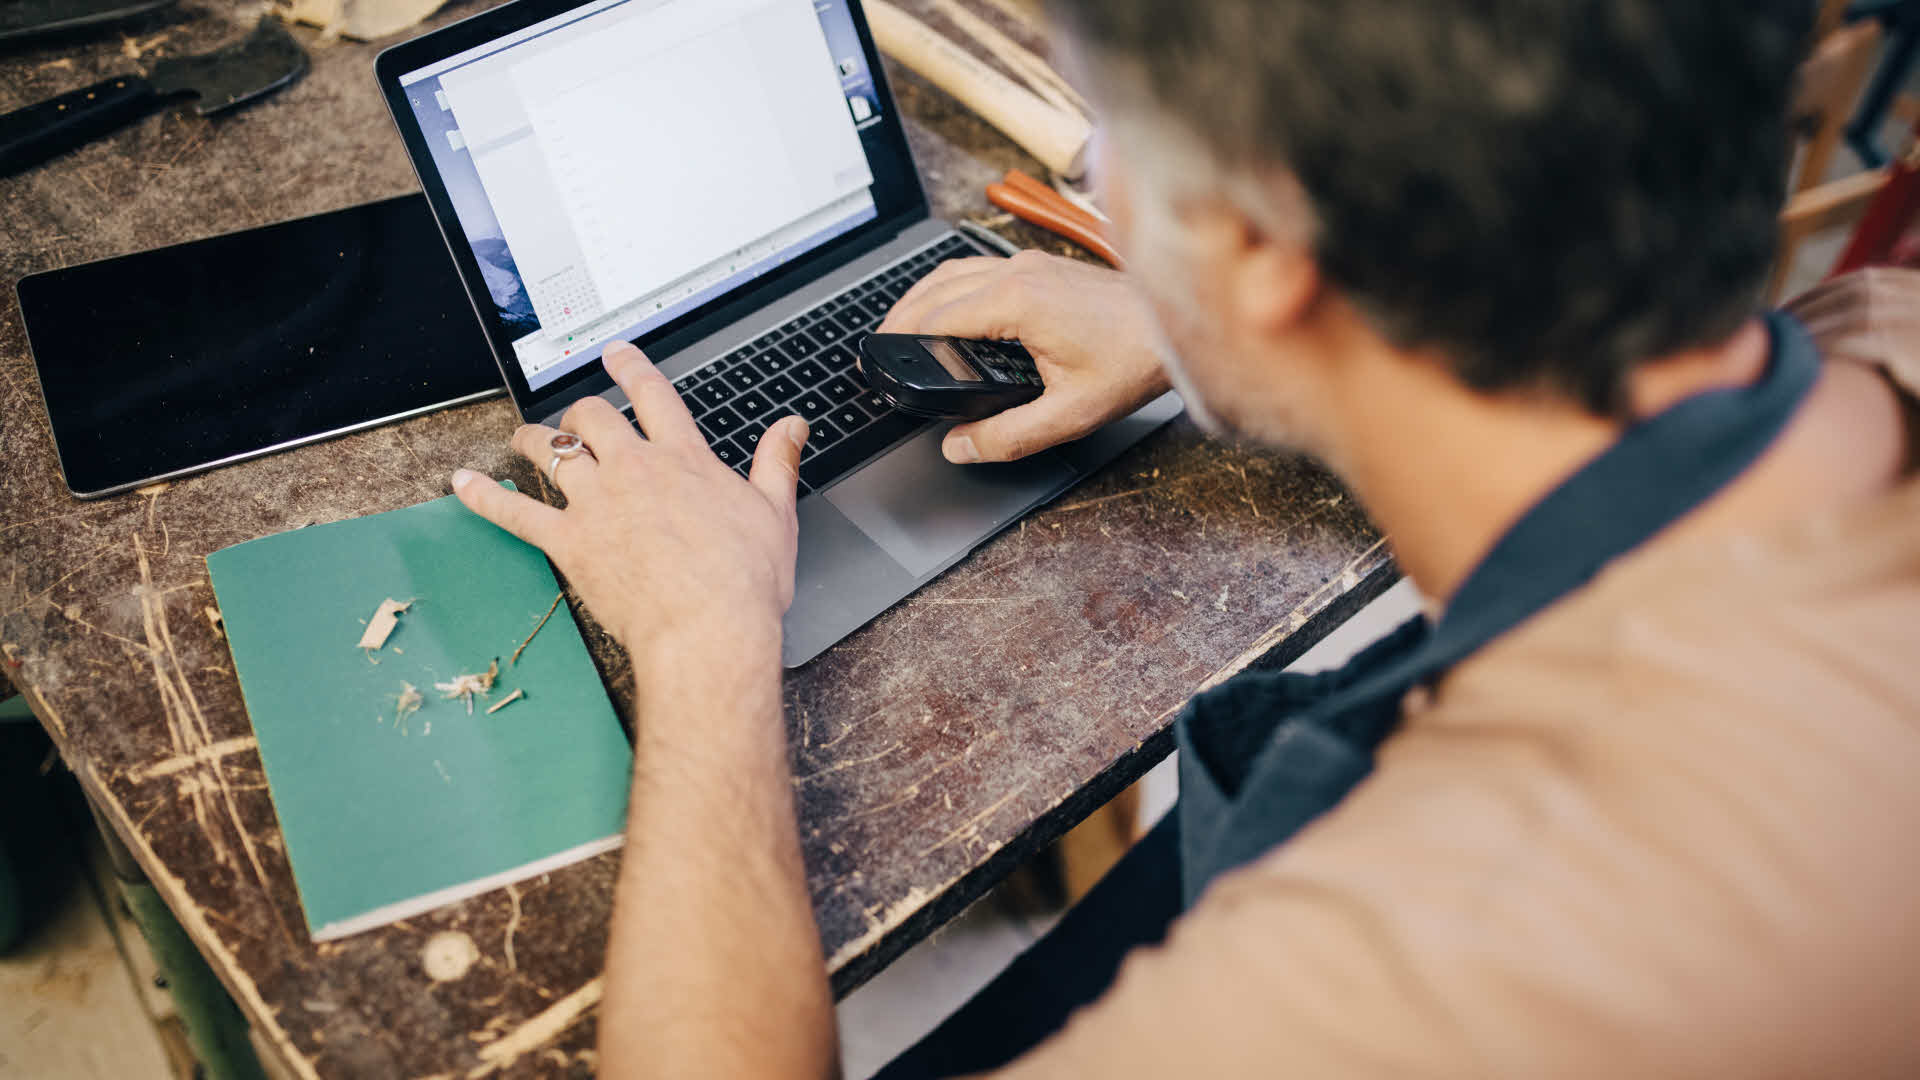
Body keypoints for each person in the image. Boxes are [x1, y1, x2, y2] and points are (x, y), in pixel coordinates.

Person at [448, 0, 1920, 1074]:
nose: (1110, 199)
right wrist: (1206, 329)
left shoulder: (1449, 955)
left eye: (1113, 151)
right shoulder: (1879, 340)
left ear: (1275, 245)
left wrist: (709, 643)